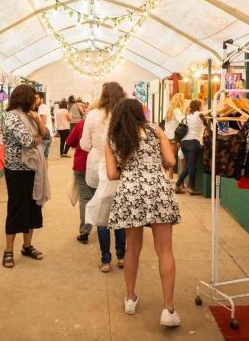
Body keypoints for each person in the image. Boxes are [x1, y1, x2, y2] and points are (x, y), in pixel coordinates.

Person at [105, 98, 182, 327]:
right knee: (165, 250)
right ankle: (168, 310)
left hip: (130, 192)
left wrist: (131, 170)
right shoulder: (155, 130)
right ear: (140, 113)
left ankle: (130, 299)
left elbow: (111, 174)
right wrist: (152, 165)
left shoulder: (113, 137)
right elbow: (170, 161)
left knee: (132, 248)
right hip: (158, 189)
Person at [2, 84, 51, 268]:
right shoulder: (11, 116)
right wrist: (39, 137)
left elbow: (47, 136)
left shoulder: (31, 115)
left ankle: (27, 245)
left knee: (32, 207)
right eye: (34, 98)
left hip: (33, 168)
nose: (36, 101)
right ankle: (8, 250)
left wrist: (38, 122)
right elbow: (28, 141)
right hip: (16, 170)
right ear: (25, 98)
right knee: (16, 208)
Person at [81, 82, 127, 273]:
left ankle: (105, 260)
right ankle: (122, 256)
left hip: (96, 166)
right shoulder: (124, 115)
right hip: (118, 169)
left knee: (102, 217)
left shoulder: (92, 115)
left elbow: (84, 145)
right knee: (120, 213)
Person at [65, 99, 98, 243]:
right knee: (103, 197)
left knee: (85, 198)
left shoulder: (81, 124)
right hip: (102, 167)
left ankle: (85, 232)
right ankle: (104, 227)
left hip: (82, 165)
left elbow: (69, 142)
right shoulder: (108, 124)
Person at [176, 99, 205, 195]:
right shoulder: (200, 114)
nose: (203, 107)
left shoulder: (186, 117)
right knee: (191, 166)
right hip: (193, 142)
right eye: (202, 105)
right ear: (199, 106)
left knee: (189, 166)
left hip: (184, 143)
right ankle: (192, 188)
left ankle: (178, 186)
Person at [163, 93, 185, 182]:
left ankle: (169, 176)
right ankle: (170, 177)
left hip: (168, 136)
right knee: (172, 157)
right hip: (173, 137)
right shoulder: (177, 110)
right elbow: (182, 121)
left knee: (169, 156)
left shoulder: (170, 110)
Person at [35, 92, 52, 159]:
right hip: (47, 134)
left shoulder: (42, 107)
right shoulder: (43, 107)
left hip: (44, 135)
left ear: (41, 99)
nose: (35, 100)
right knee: (44, 158)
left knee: (41, 158)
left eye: (37, 98)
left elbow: (43, 123)